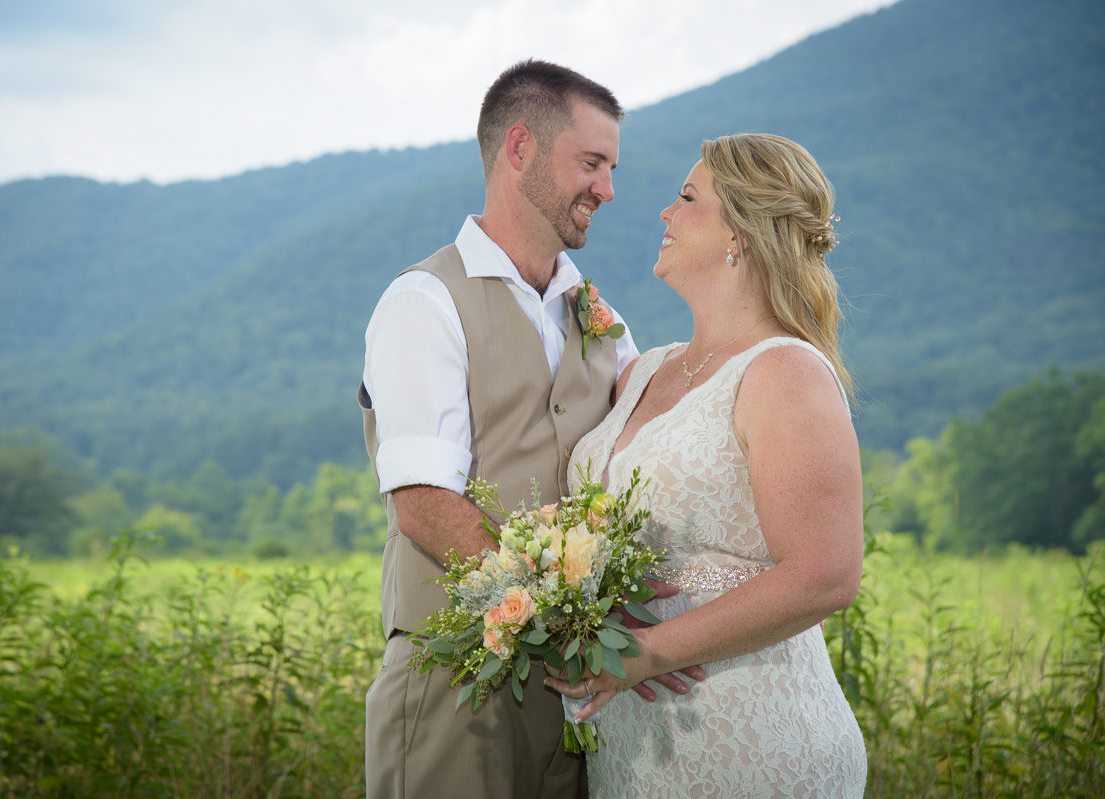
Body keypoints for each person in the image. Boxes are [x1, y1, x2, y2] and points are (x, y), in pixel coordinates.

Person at [358, 60, 701, 799]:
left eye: (610, 167)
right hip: (454, 691)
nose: (607, 189)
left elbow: (666, 435)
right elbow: (422, 504)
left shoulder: (598, 316)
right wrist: (577, 626)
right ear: (520, 150)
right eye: (591, 163)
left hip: (575, 707)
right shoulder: (425, 301)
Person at [545, 133, 868, 797]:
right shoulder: (643, 371)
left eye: (687, 198)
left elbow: (825, 576)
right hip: (636, 749)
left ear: (740, 236)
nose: (664, 213)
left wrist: (646, 653)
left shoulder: (784, 371)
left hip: (754, 735)